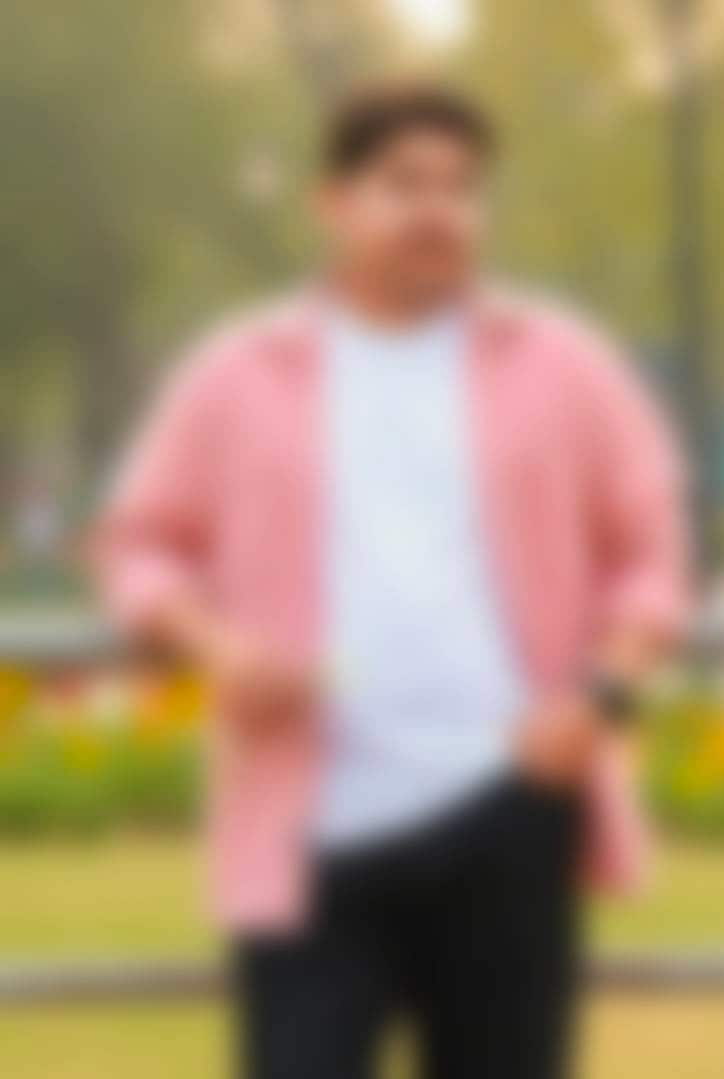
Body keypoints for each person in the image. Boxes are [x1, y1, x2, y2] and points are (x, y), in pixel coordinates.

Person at [94, 82, 690, 1079]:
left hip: (508, 803)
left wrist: (600, 697)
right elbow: (135, 542)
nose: (437, 211)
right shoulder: (240, 372)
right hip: (307, 825)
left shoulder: (560, 365)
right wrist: (216, 645)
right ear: (332, 202)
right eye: (404, 184)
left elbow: (651, 553)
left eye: (460, 187)